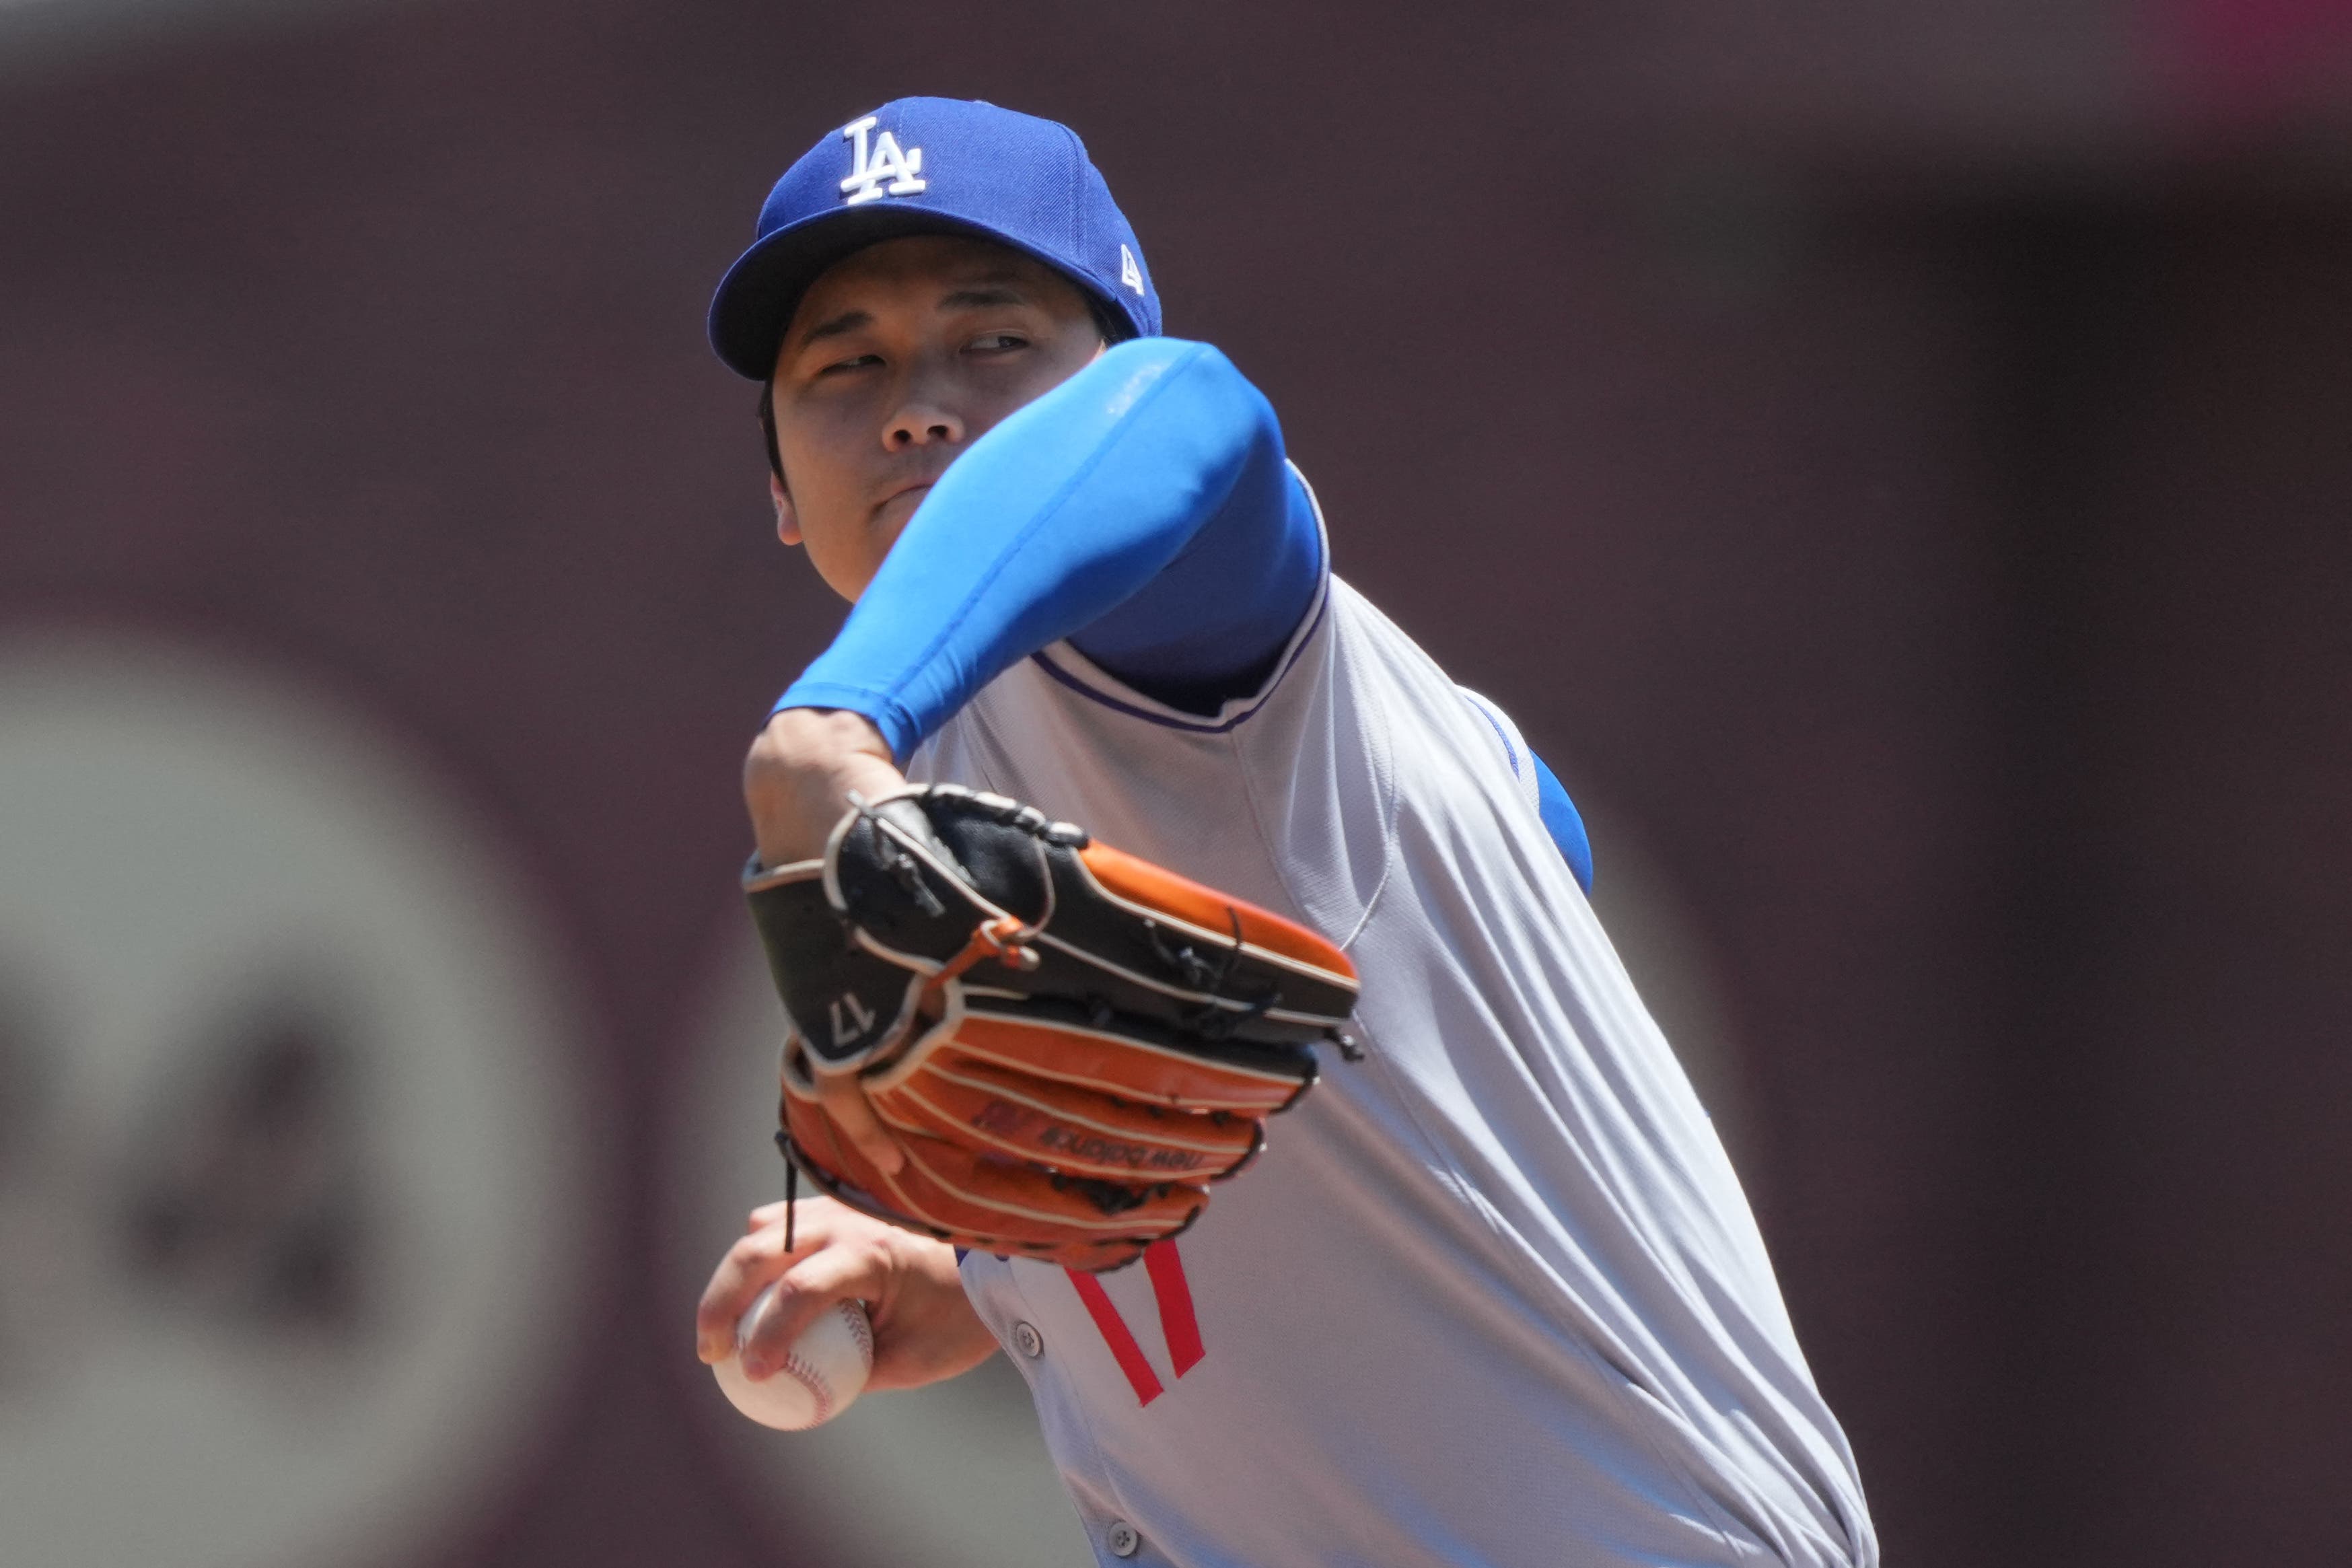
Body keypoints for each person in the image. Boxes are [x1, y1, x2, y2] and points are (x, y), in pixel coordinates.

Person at [693, 97, 1876, 1568]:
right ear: (778, 495)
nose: (916, 406)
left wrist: (833, 724)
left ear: (1101, 381)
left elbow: (1196, 414)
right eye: (845, 364)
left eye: (994, 343)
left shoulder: (1201, 658)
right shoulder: (980, 758)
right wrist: (989, 1277)